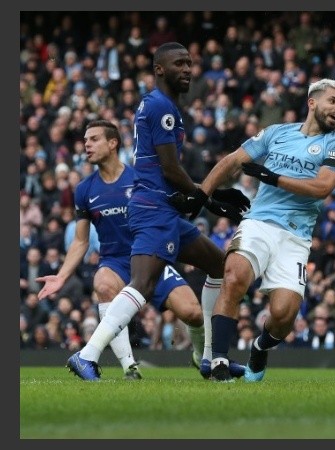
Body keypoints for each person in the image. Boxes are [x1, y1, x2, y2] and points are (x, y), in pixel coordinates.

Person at [65, 42, 251, 381]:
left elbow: (166, 168)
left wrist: (204, 195)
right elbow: (169, 168)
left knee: (219, 266)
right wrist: (206, 197)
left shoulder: (160, 106)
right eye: (179, 63)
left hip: (162, 207)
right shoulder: (162, 107)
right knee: (143, 284)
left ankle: (208, 358)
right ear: (159, 69)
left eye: (189, 63)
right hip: (154, 208)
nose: (187, 69)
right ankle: (87, 355)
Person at [190, 78, 335, 381]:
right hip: (259, 222)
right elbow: (233, 160)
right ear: (312, 103)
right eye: (333, 101)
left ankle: (260, 347)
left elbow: (322, 187)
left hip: (296, 236)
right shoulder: (277, 133)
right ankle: (220, 361)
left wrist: (272, 177)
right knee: (234, 275)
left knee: (283, 316)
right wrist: (201, 196)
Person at [38, 120, 200, 379]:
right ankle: (129, 368)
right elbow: (80, 241)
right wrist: (62, 275)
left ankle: (200, 357)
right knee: (102, 284)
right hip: (116, 262)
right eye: (85, 140)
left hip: (150, 257)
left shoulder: (140, 180)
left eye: (93, 139)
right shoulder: (84, 190)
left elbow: (167, 218)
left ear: (113, 143)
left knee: (193, 313)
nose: (86, 145)